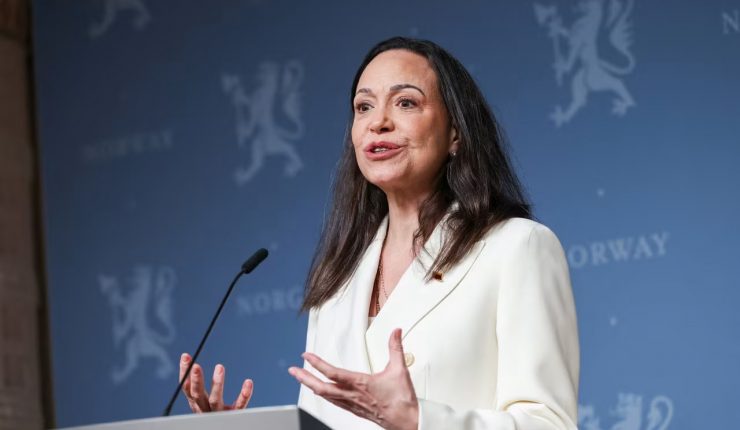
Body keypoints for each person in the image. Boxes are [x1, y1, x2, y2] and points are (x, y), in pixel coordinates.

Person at [179, 37, 579, 430]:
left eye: (405, 103)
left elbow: (549, 425)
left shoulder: (517, 247)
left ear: (455, 132)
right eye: (364, 107)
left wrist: (418, 421)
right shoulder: (336, 280)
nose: (378, 122)